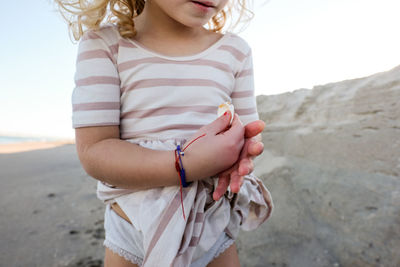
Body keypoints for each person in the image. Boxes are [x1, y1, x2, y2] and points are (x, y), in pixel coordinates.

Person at [55, 0, 273, 266]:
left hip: (210, 222)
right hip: (132, 230)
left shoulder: (235, 51)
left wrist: (243, 150)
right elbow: (95, 149)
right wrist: (187, 164)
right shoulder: (105, 45)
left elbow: (249, 130)